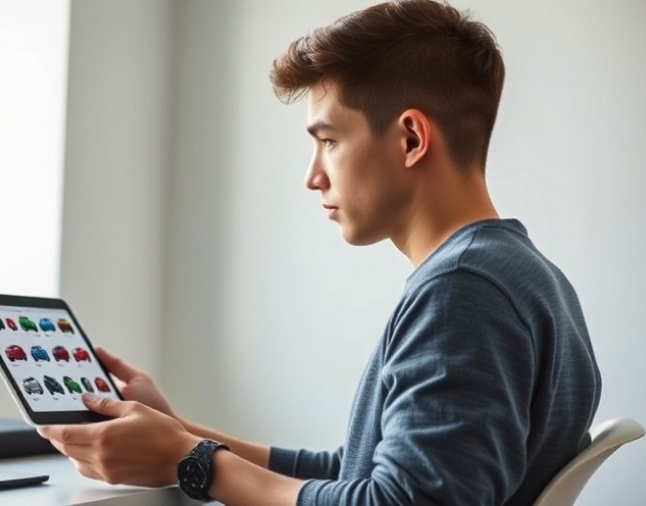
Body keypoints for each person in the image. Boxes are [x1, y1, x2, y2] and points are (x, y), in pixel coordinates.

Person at [37, 0, 602, 504]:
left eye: (329, 141)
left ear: (411, 139)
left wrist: (192, 464)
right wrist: (181, 434)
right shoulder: (524, 276)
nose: (313, 176)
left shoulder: (462, 292)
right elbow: (359, 476)